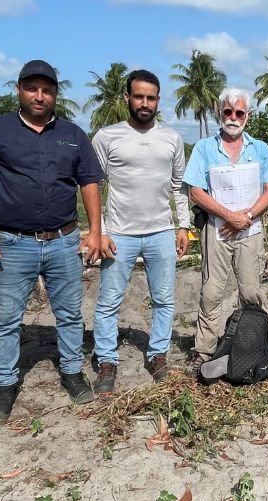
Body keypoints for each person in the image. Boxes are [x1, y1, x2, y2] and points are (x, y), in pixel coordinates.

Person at [0, 60, 103, 422]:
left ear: (55, 93)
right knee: (7, 319)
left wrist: (95, 231)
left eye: (47, 90)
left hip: (63, 241)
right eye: (32, 89)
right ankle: (5, 383)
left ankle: (72, 371)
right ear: (19, 90)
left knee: (70, 314)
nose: (39, 96)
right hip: (12, 243)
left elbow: (89, 182)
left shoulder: (73, 134)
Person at [90, 69, 190, 392]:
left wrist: (184, 225)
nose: (144, 103)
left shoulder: (171, 139)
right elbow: (93, 186)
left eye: (151, 98)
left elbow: (179, 186)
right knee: (109, 302)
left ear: (158, 101)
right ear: (127, 98)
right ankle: (107, 360)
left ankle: (157, 354)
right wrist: (100, 231)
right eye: (138, 97)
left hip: (161, 231)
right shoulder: (107, 137)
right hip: (119, 233)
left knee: (164, 300)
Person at [183, 88, 268, 367]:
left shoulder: (260, 149)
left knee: (250, 291)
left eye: (239, 112)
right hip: (216, 229)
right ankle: (204, 350)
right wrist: (229, 216)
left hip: (250, 231)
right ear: (219, 113)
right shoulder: (204, 148)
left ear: (247, 116)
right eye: (228, 111)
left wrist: (246, 216)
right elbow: (195, 191)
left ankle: (249, 347)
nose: (233, 117)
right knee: (211, 290)